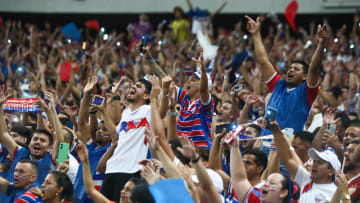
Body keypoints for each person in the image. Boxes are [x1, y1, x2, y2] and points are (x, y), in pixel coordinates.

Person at [245, 15, 327, 148]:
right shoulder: (278, 85)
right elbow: (264, 61)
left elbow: (313, 68)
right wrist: (256, 34)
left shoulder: (306, 92)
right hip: (265, 146)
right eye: (290, 68)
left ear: (304, 76)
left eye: (296, 69)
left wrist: (321, 44)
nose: (291, 70)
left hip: (288, 148)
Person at [100, 78, 152, 202]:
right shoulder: (127, 113)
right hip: (112, 168)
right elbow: (115, 134)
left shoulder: (149, 110)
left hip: (130, 169)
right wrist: (102, 110)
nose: (133, 87)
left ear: (146, 95)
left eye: (138, 86)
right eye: (133, 85)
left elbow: (163, 108)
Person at [271, 121, 340, 202]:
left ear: (331, 171)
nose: (314, 164)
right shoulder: (306, 179)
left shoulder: (336, 193)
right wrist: (276, 133)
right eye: (314, 161)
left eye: (320, 163)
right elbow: (287, 159)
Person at [160, 53, 214, 148]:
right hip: (183, 149)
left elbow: (204, 89)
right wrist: (148, 57)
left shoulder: (204, 102)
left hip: (201, 149)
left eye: (193, 80)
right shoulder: (185, 98)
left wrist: (203, 69)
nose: (188, 82)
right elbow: (166, 80)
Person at [229, 131, 300, 203]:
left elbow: (271, 170)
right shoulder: (256, 199)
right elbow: (239, 179)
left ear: (283, 193)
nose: (265, 184)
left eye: (272, 183)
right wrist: (234, 146)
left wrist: (287, 147)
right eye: (266, 181)